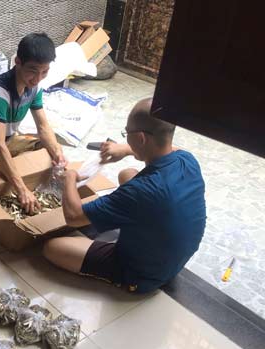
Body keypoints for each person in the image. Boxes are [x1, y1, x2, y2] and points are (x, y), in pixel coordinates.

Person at [43, 98, 206, 293]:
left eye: (127, 133)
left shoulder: (139, 191)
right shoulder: (187, 159)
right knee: (127, 174)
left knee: (53, 248)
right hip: (175, 257)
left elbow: (73, 216)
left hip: (143, 273)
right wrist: (126, 149)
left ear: (141, 138)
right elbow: (172, 149)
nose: (125, 138)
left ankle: (124, 275)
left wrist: (70, 177)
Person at [0, 32, 67, 215]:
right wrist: (22, 190)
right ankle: (11, 174)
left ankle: (6, 172)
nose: (38, 78)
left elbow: (43, 127)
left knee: (53, 149)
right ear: (17, 61)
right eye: (33, 70)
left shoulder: (34, 87)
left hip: (11, 141)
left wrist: (57, 153)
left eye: (44, 72)